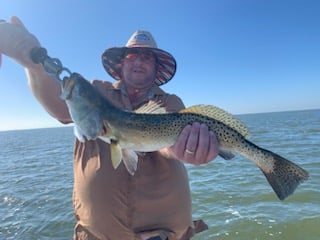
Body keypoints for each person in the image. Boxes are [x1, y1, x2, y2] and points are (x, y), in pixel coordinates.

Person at [0, 16, 219, 240]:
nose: (139, 61)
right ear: (122, 63)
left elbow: (166, 146)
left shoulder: (170, 103)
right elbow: (58, 107)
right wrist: (34, 67)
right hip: (97, 234)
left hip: (164, 234)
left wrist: (188, 149)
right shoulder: (95, 91)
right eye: (132, 55)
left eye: (147, 57)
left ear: (155, 67)